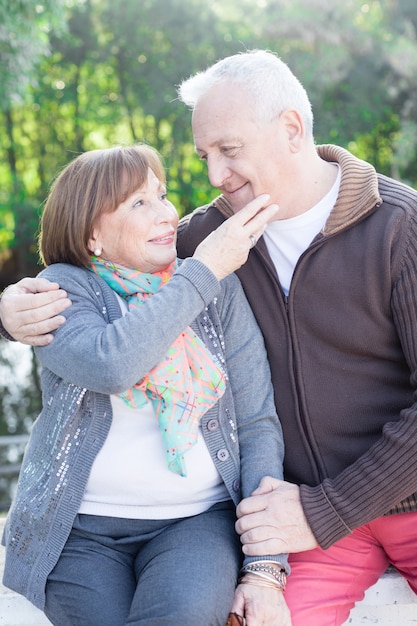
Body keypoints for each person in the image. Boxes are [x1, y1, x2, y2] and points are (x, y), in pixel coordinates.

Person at [2, 48, 417, 625]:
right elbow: (101, 290)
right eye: (204, 155)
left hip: (378, 503)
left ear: (292, 130)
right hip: (301, 516)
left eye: (230, 150)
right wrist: (8, 311)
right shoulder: (208, 242)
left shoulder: (401, 227)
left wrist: (325, 511)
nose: (215, 175)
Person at [0, 143, 292, 626]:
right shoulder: (63, 289)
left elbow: (258, 423)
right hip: (78, 533)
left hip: (196, 522)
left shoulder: (219, 292)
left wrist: (265, 565)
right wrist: (202, 273)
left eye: (162, 195)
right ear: (92, 234)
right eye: (139, 203)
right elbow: (112, 364)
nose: (165, 215)